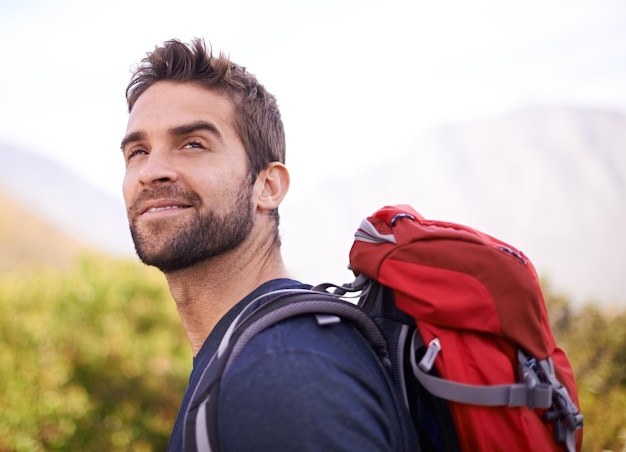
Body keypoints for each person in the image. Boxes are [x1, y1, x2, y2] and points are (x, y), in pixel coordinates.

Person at [120, 38, 417, 451]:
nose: (151, 171)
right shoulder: (254, 352)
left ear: (267, 186)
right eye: (137, 151)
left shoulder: (281, 371)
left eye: (192, 143)